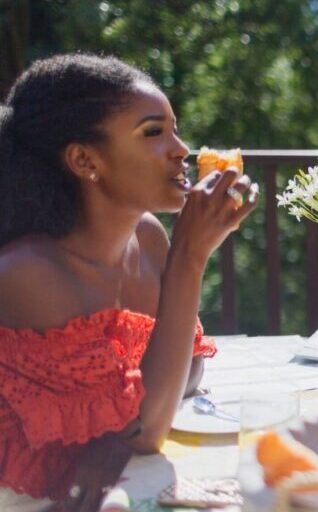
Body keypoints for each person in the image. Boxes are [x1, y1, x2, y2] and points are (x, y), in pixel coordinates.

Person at [0, 53, 257, 511]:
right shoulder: (28, 274)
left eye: (175, 128)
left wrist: (123, 431)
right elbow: (146, 432)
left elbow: (186, 372)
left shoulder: (148, 237)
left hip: (121, 484)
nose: (181, 149)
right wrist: (191, 257)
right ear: (84, 159)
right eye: (153, 132)